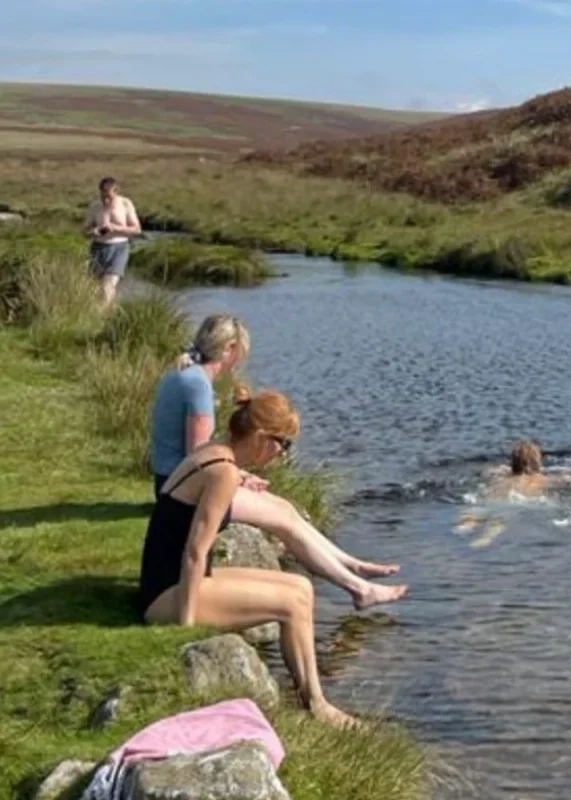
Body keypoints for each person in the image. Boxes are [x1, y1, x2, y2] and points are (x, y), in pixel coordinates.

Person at [149, 314, 407, 610]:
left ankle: (354, 567)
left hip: (176, 480)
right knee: (284, 520)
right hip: (182, 490)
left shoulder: (187, 374)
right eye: (241, 354)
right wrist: (240, 477)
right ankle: (358, 587)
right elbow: (198, 457)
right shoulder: (198, 386)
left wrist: (240, 475)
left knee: (285, 508)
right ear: (229, 348)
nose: (239, 363)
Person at [140, 388, 355, 727]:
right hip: (169, 595)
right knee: (293, 604)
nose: (282, 454)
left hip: (172, 580)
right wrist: (184, 624)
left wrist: (240, 476)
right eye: (282, 444)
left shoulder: (213, 452)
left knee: (301, 587)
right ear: (259, 437)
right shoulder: (223, 472)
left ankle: (311, 698)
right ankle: (317, 705)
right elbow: (196, 550)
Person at [455, 439, 571, 546]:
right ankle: (486, 538)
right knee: (499, 520)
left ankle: (464, 526)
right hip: (517, 500)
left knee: (475, 511)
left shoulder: (502, 475)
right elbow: (565, 480)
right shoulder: (541, 479)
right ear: (538, 460)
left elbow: (488, 472)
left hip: (493, 496)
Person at [83, 177, 140, 309]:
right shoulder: (95, 207)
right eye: (103, 196)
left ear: (117, 191)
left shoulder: (126, 204)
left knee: (108, 284)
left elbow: (137, 230)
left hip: (119, 248)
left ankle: (101, 316)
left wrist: (115, 228)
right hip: (98, 248)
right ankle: (110, 313)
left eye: (109, 196)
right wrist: (94, 231)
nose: (106, 200)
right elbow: (84, 231)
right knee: (96, 287)